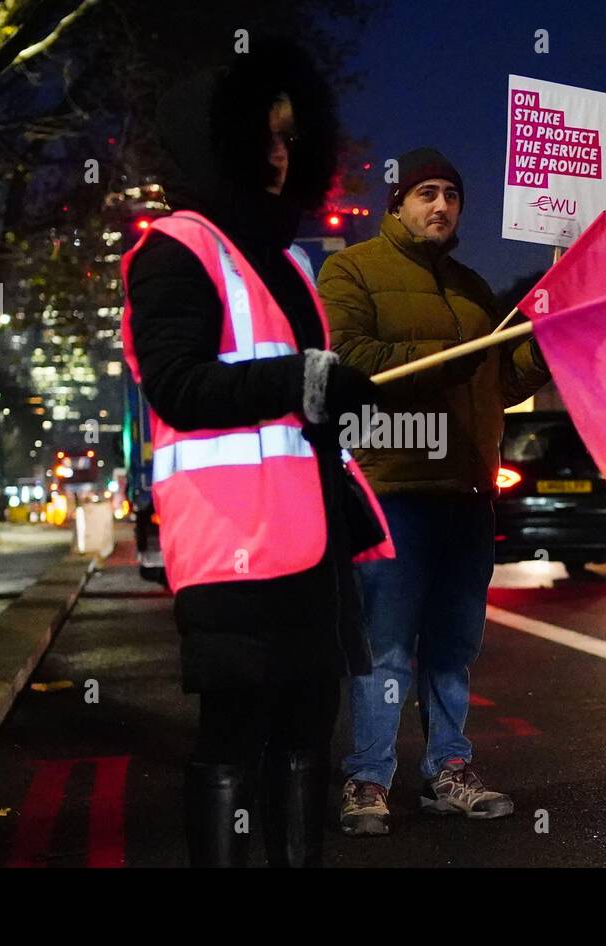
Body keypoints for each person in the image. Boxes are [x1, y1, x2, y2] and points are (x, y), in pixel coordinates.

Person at [122, 40, 393, 867]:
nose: (281, 154)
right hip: (232, 546)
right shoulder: (176, 247)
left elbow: (297, 397)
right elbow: (177, 385)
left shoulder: (286, 262)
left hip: (311, 544)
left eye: (288, 138)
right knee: (235, 733)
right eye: (263, 137)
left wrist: (339, 392)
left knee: (308, 728)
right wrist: (301, 380)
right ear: (216, 142)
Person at [319, 147, 551, 836]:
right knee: (384, 644)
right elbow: (348, 358)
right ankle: (366, 779)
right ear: (397, 203)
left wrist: (542, 343)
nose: (441, 205)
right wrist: (441, 358)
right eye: (426, 192)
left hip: (466, 491)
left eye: (451, 194)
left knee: (453, 645)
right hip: (393, 487)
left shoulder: (475, 287)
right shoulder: (352, 268)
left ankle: (449, 769)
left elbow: (497, 383)